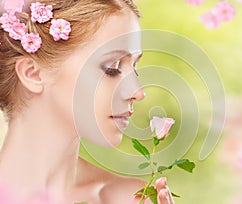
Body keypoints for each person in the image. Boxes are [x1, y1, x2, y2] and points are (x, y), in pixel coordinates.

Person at [0, 0, 175, 203]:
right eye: (113, 67)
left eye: (134, 67)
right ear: (33, 74)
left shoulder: (128, 198)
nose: (138, 92)